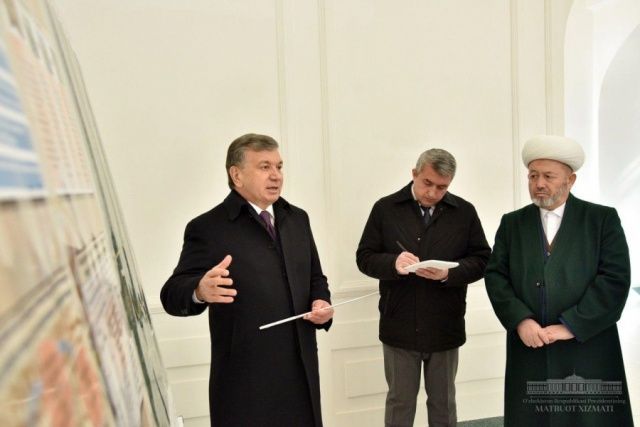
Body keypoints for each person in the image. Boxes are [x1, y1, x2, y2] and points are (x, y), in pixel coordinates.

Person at [160, 133, 333, 427]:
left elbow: (316, 277)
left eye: (279, 166)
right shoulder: (208, 228)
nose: (276, 175)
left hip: (300, 374)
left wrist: (321, 301)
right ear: (236, 175)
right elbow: (171, 294)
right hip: (246, 382)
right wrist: (199, 290)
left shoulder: (298, 219)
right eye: (265, 167)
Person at [484, 135, 634, 426]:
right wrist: (521, 321)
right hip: (530, 345)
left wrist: (571, 325)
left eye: (549, 176)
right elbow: (496, 276)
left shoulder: (601, 219)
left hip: (587, 345)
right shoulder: (511, 223)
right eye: (533, 175)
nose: (539, 183)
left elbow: (615, 279)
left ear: (571, 180)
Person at [356, 148, 490, 427]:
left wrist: (448, 273)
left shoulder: (464, 212)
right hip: (399, 324)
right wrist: (393, 263)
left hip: (445, 324)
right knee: (400, 402)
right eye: (427, 183)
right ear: (414, 174)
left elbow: (482, 261)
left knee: (443, 403)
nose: (433, 193)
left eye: (442, 187)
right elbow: (364, 258)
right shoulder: (385, 208)